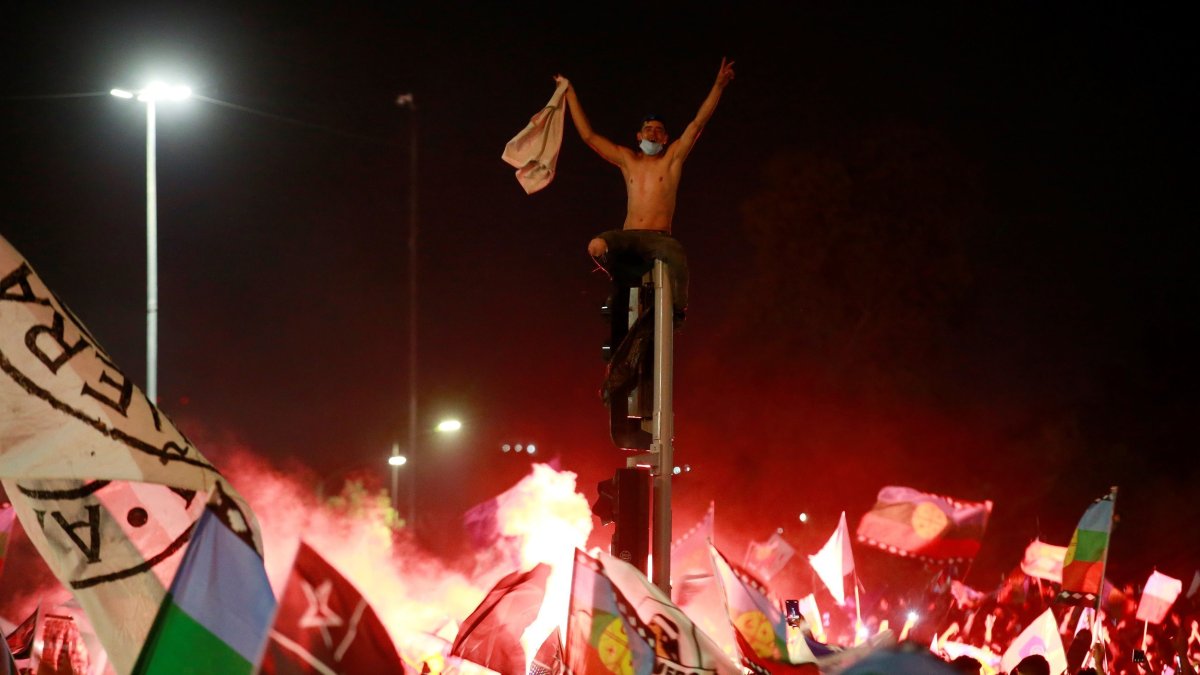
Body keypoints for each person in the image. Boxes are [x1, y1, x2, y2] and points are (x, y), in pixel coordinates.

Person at [555, 57, 736, 322]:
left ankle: (676, 314)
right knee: (596, 245)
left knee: (677, 256)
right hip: (629, 236)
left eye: (658, 131)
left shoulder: (671, 159)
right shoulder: (628, 160)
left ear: (665, 138)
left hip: (659, 238)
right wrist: (569, 92)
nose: (652, 134)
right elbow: (589, 137)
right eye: (648, 130)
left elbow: (697, 123)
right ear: (638, 136)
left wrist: (718, 86)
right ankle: (619, 287)